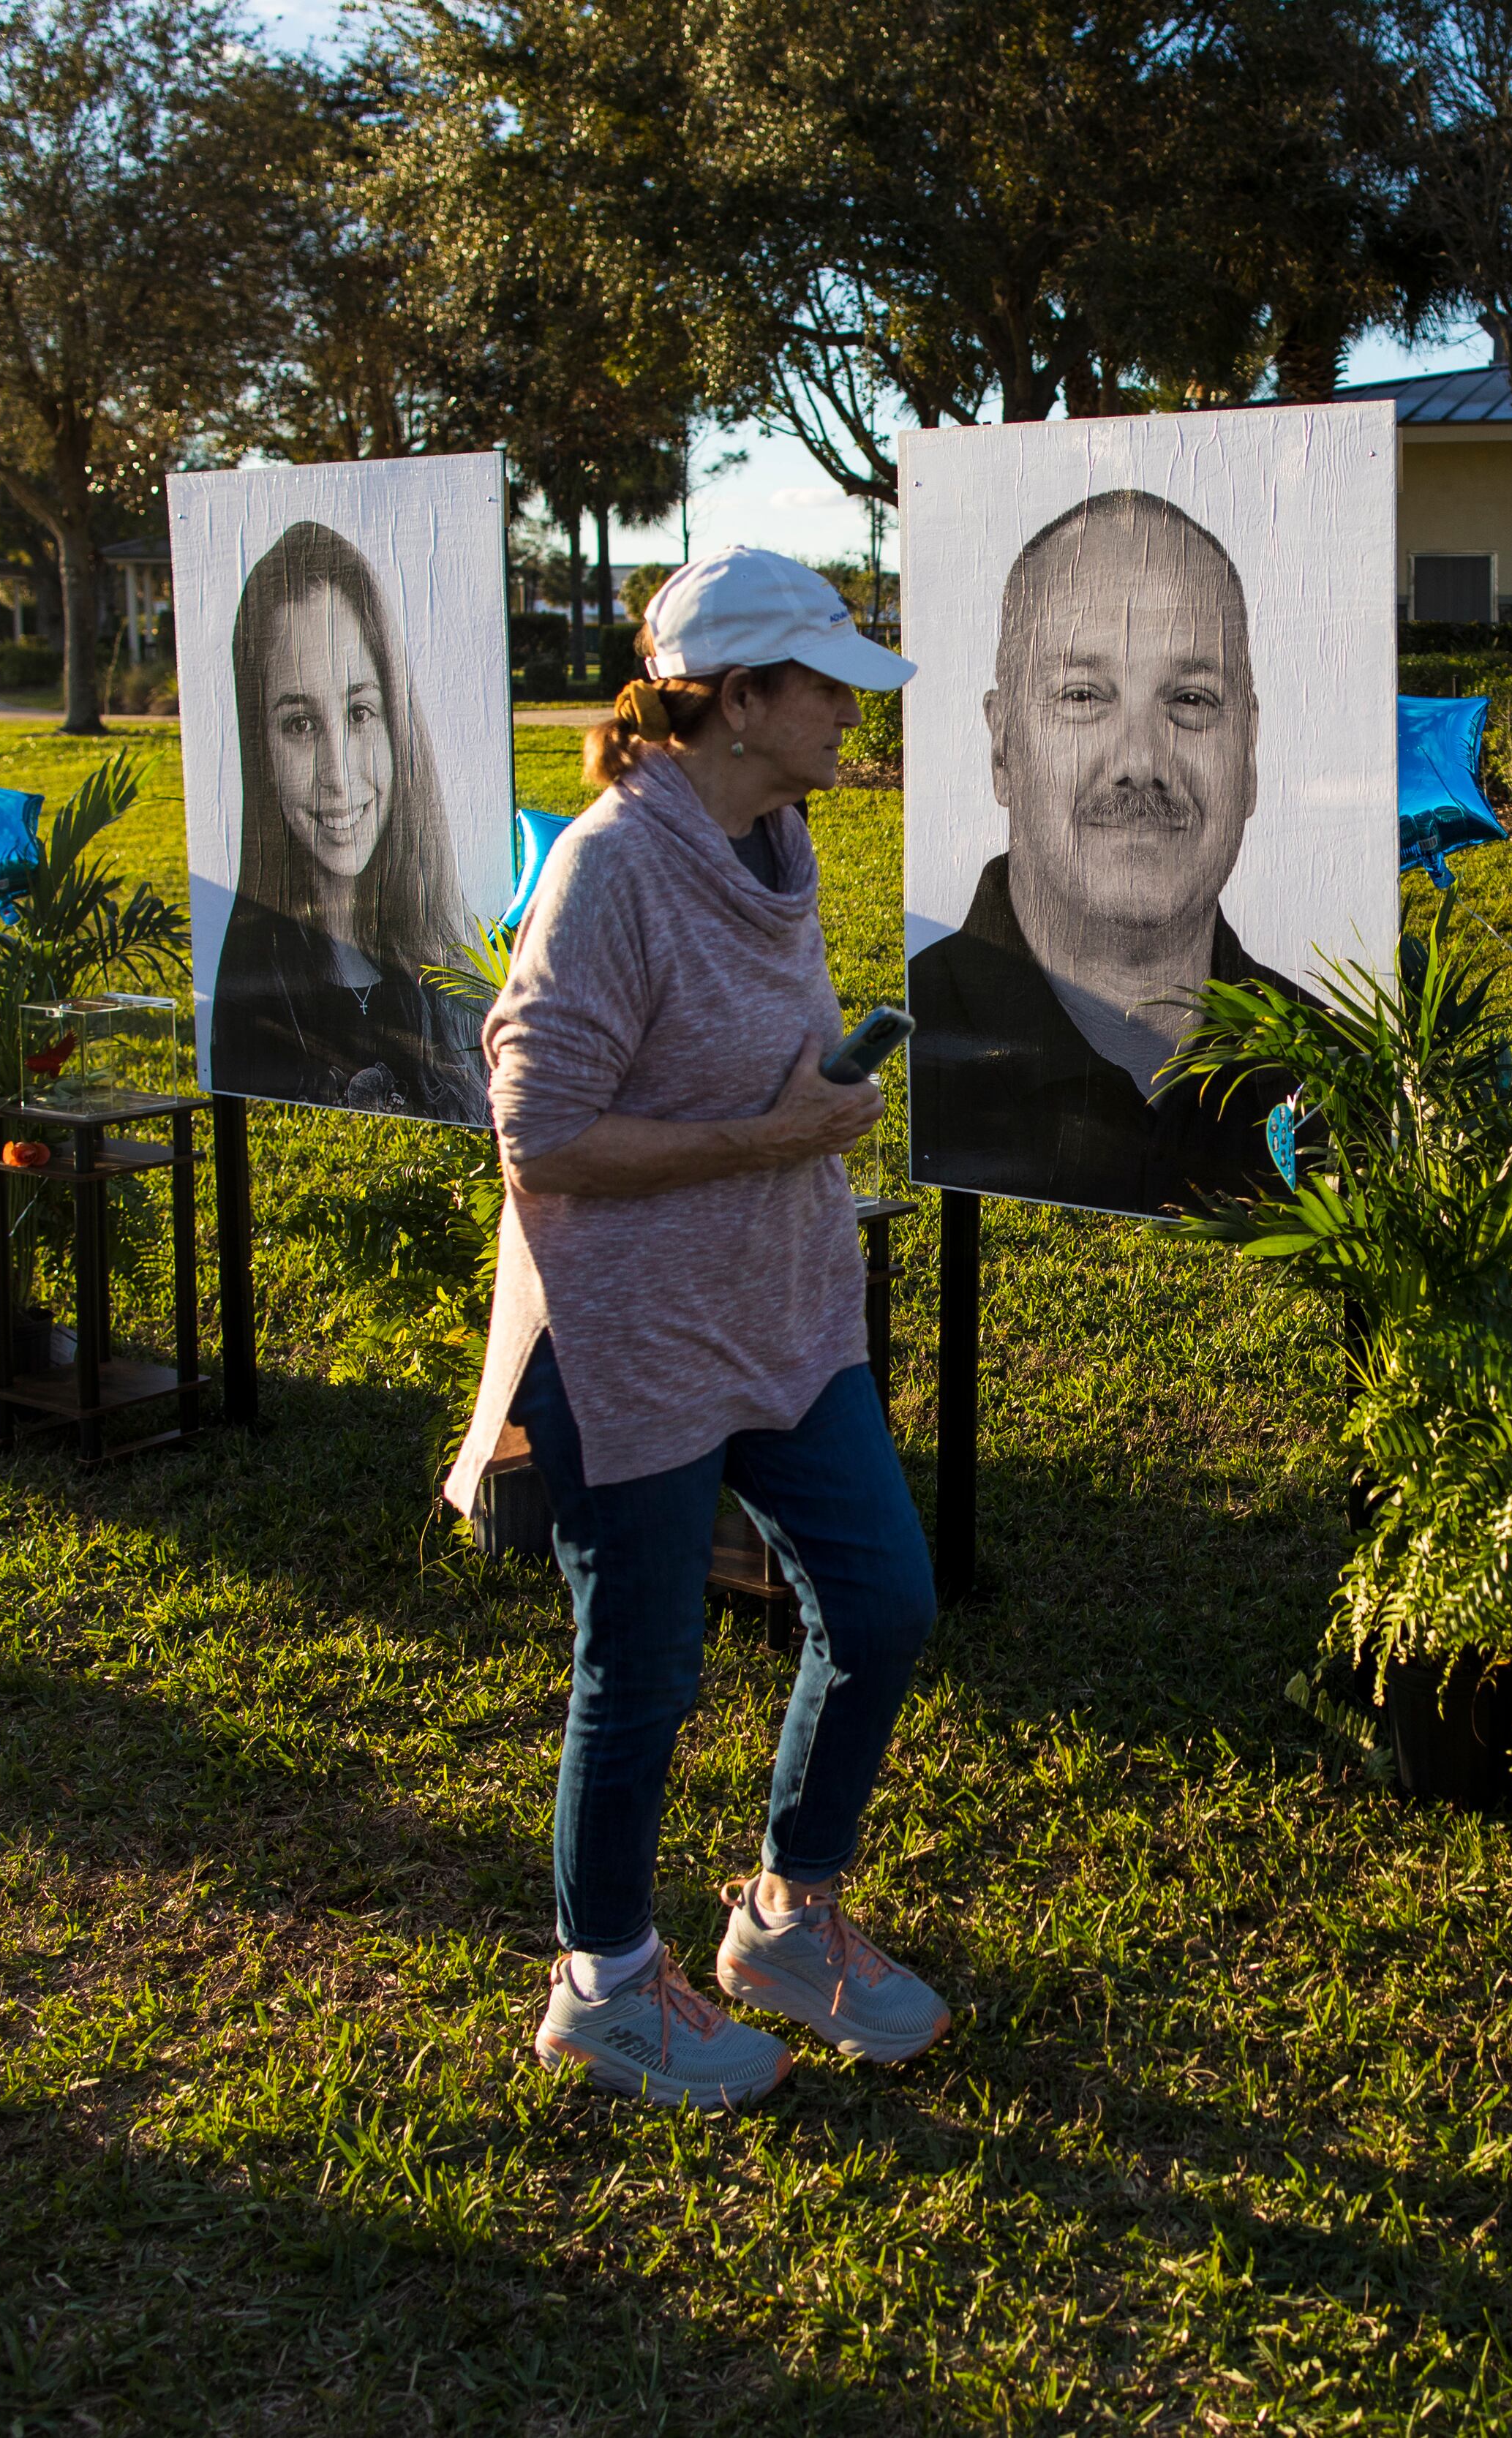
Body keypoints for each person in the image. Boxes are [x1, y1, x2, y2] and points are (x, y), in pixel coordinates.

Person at [440, 544, 943, 2110]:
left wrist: (801, 1117)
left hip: (781, 1312)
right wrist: (770, 1139)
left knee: (882, 1607)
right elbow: (540, 1134)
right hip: (631, 1336)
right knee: (642, 1671)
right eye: (829, 688)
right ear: (738, 702)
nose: (854, 716)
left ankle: (786, 1921)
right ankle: (600, 1985)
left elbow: (748, 1073)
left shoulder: (772, 834)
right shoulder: (608, 870)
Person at [908, 488, 1308, 1215]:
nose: (1139, 761)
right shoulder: (925, 1034)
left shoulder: (1335, 1063)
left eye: (1189, 699)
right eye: (1083, 695)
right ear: (1003, 747)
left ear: (1247, 749)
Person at [208, 519, 486, 1122]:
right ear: (261, 749)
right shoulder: (247, 997)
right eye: (300, 725)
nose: (338, 774)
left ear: (397, 724)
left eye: (360, 713)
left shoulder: (465, 968)